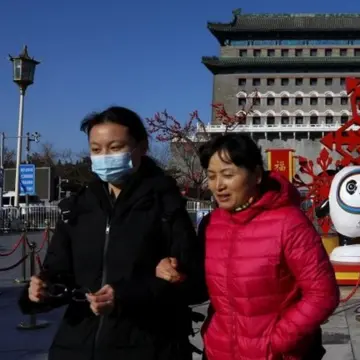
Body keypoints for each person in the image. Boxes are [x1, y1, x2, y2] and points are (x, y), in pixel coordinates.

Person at [19, 106, 206, 360]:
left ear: (142, 147)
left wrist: (127, 294)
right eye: (96, 149)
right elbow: (59, 271)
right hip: (76, 347)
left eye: (115, 147)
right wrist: (43, 288)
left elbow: (195, 285)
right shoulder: (77, 207)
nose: (104, 156)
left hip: (149, 347)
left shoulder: (166, 205)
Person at [196, 133, 339, 360]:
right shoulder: (211, 224)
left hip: (274, 354)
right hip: (219, 352)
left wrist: (278, 340)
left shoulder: (289, 223)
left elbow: (323, 294)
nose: (218, 185)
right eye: (212, 176)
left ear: (256, 175)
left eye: (228, 175)